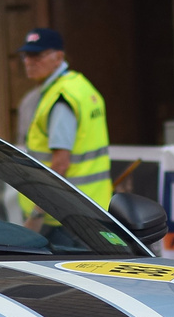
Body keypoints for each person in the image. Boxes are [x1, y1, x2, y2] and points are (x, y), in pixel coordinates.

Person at [16, 28, 112, 230]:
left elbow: (60, 164)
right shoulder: (78, 86)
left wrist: (36, 215)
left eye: (36, 55)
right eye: (26, 55)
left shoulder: (61, 98)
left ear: (58, 57)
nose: (28, 61)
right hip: (88, 208)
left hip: (63, 218)